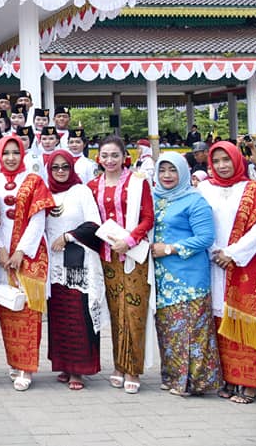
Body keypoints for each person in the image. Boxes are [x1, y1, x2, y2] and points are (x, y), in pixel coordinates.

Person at [196, 141, 256, 405]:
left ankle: (250, 384)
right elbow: (199, 223)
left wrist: (234, 254)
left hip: (246, 264)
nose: (222, 166)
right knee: (219, 320)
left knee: (248, 322)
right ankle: (228, 377)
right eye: (216, 161)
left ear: (238, 160)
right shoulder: (204, 189)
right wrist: (216, 251)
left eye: (227, 160)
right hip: (214, 262)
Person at [88, 134, 154, 394]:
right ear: (98, 158)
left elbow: (148, 218)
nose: (110, 160)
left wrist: (129, 239)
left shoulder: (138, 182)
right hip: (107, 256)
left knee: (134, 313)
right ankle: (118, 364)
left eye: (115, 155)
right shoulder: (92, 185)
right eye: (105, 155)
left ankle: (133, 368)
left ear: (125, 156)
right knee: (115, 312)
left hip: (135, 255)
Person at [150, 151, 220, 397]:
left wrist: (170, 248)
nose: (167, 175)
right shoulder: (154, 196)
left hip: (188, 276)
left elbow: (205, 238)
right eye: (162, 170)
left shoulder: (194, 200)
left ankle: (193, 382)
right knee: (168, 329)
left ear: (184, 172)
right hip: (161, 276)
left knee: (190, 330)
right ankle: (171, 377)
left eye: (173, 170)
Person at [0, 135, 54, 391]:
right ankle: (14, 363)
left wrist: (20, 252)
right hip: (2, 257)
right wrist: (1, 251)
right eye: (6, 153)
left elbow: (38, 220)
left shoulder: (34, 180)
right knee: (8, 310)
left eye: (16, 152)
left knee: (28, 312)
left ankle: (27, 368)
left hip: (30, 256)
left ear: (23, 153)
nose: (11, 157)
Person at [44, 150, 105, 392]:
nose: (60, 172)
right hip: (54, 264)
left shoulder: (81, 191)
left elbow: (94, 223)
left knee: (79, 315)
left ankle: (79, 369)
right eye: (56, 167)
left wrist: (68, 236)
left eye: (65, 167)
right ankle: (64, 365)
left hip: (78, 262)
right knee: (60, 318)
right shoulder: (46, 192)